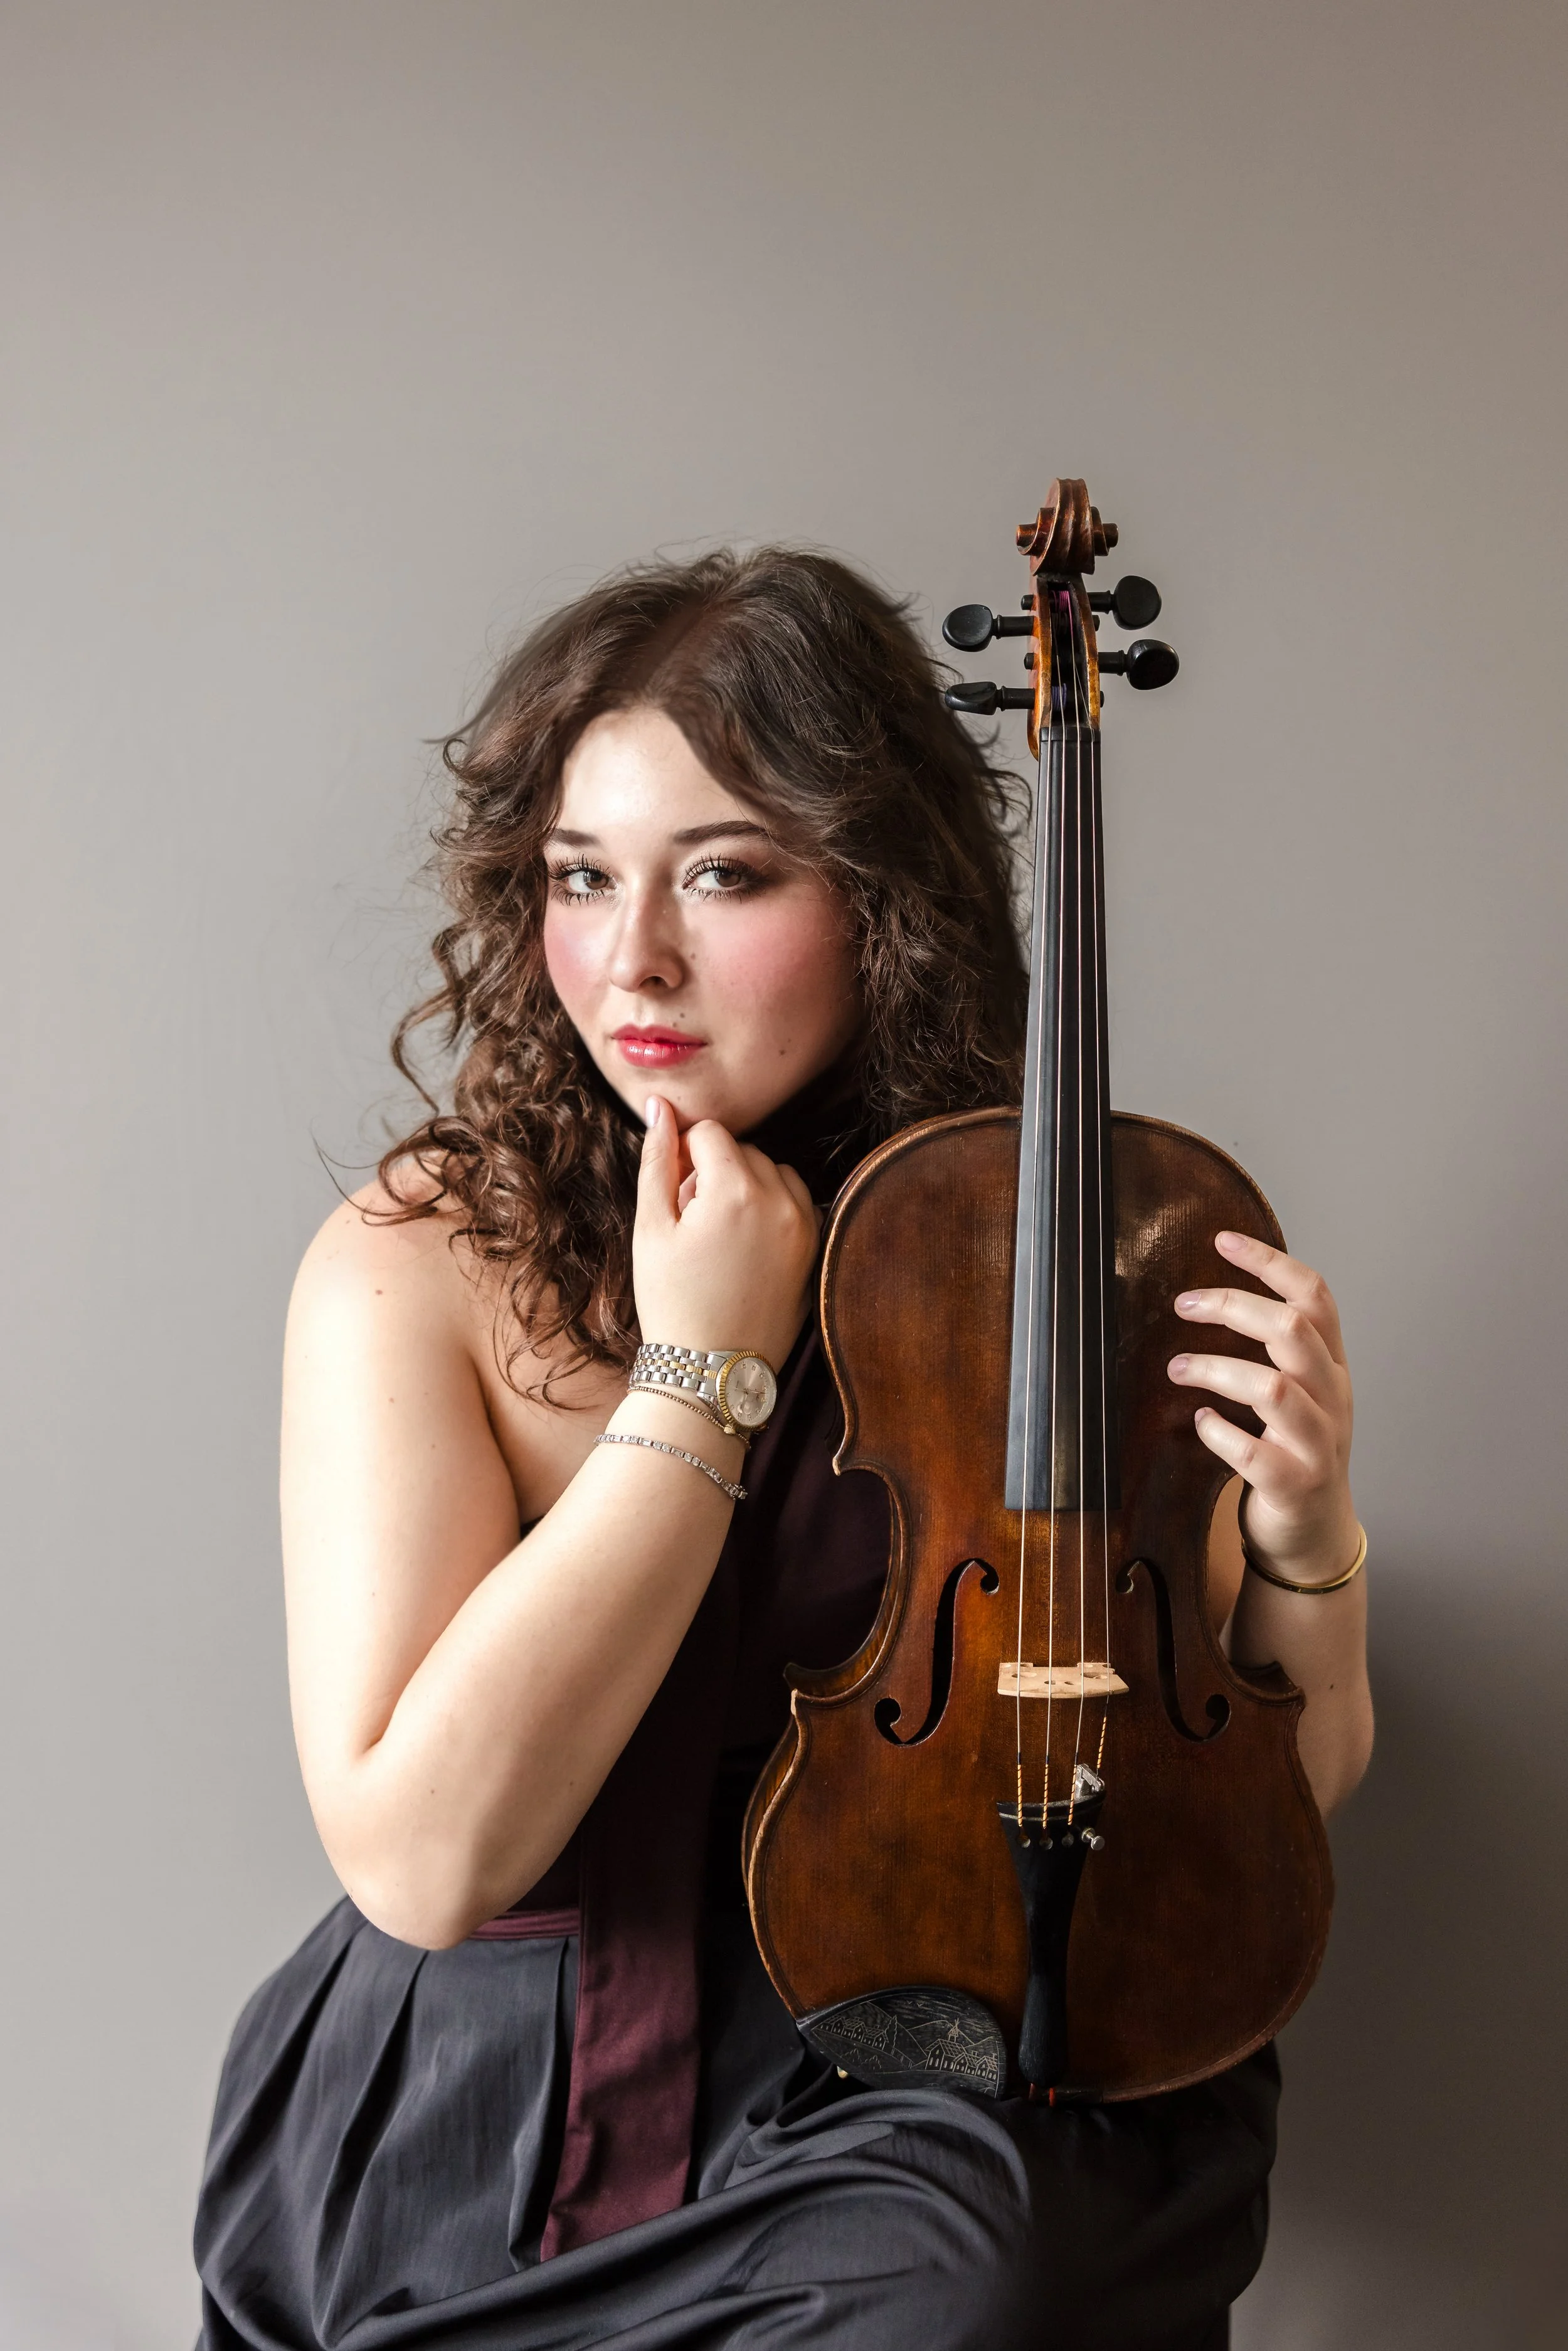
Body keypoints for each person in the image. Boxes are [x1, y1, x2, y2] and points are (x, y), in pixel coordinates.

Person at [194, 549, 1372, 2351]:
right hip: (481, 2112)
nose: (631, 958)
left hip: (896, 2060)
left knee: (975, 2273)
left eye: (725, 873)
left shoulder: (1035, 1248)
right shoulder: (417, 1259)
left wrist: (1301, 1531)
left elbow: (1264, 1798)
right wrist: (698, 1374)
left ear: (879, 896)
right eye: (580, 876)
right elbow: (428, 1867)